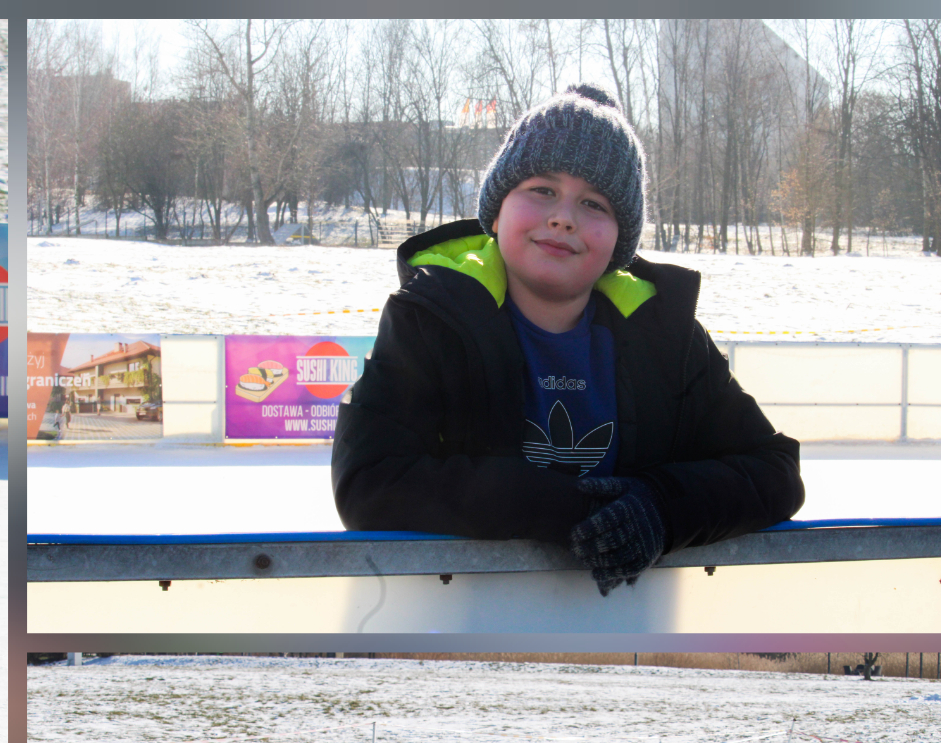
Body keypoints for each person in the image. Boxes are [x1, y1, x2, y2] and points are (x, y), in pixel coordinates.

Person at [332, 85, 802, 597]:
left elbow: (774, 471)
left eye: (593, 203)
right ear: (497, 210)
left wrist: (661, 508)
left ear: (620, 241)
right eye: (542, 190)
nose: (563, 217)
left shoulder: (666, 334)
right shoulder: (431, 319)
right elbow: (369, 483)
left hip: (631, 639)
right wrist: (564, 508)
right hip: (462, 633)